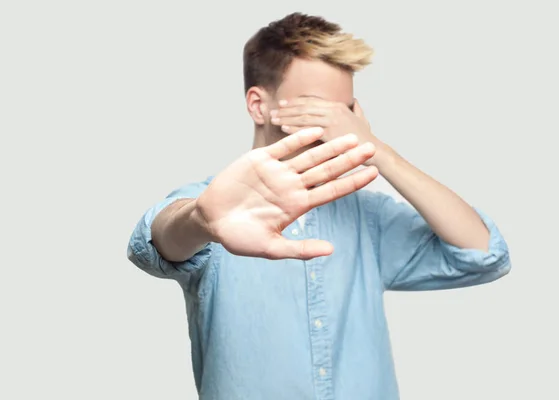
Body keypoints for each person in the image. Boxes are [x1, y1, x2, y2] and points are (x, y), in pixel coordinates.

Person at [126, 12, 511, 400]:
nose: (334, 124)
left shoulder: (369, 217)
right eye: (316, 107)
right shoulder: (217, 204)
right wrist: (199, 221)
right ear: (259, 106)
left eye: (344, 111)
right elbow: (152, 244)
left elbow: (484, 254)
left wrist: (379, 152)